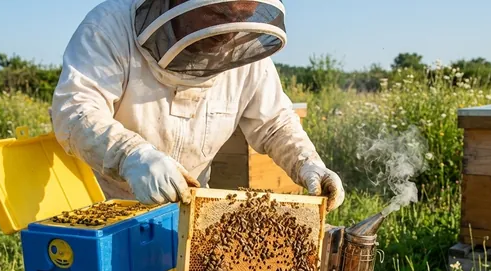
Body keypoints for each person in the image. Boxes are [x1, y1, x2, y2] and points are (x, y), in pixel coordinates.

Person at [51, 0, 345, 210]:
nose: (229, 33)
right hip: (105, 209)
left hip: (189, 210)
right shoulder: (108, 29)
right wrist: (131, 157)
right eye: (218, 14)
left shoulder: (242, 48)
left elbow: (275, 124)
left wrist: (308, 164)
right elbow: (76, 111)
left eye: (243, 17)